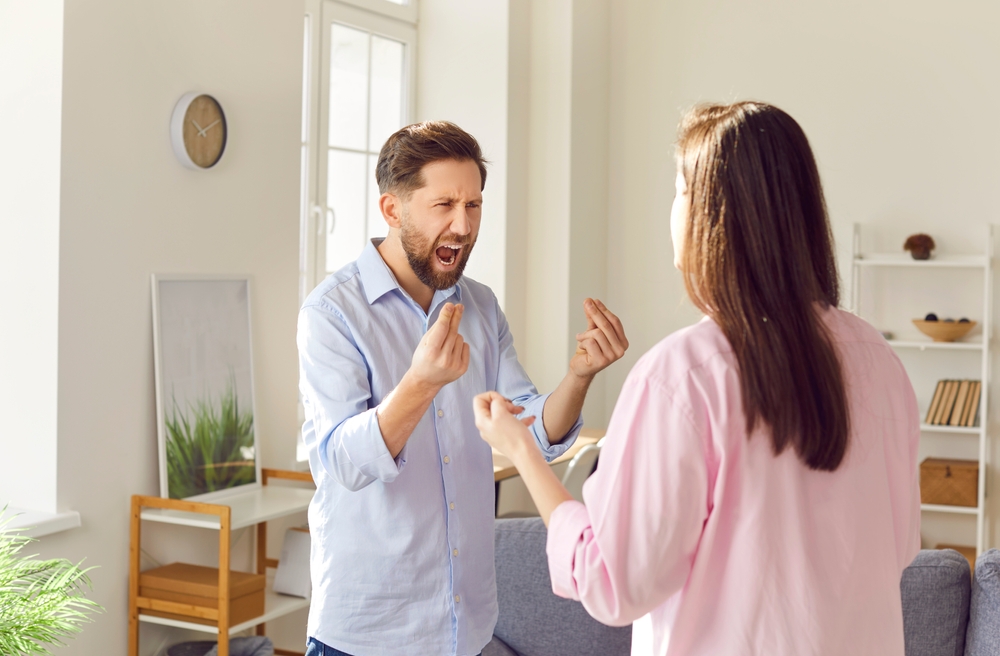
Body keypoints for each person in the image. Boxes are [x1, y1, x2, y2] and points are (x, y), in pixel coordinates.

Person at [475, 102, 921, 655]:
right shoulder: (878, 358)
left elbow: (611, 583)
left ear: (709, 212)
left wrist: (523, 452)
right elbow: (900, 546)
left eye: (679, 189)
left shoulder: (682, 376)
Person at [297, 121, 628, 656]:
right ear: (392, 210)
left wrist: (580, 376)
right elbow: (343, 462)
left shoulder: (479, 305)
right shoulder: (333, 313)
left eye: (473, 205)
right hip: (369, 633)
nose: (463, 225)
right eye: (444, 204)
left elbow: (531, 430)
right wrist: (421, 384)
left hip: (465, 627)